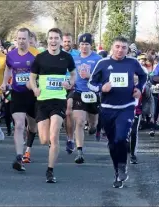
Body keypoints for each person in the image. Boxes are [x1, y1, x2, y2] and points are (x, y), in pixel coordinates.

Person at [88, 36, 147, 188]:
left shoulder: (132, 63)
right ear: (112, 47)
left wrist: (139, 88)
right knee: (113, 143)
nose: (120, 50)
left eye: (123, 47)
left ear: (128, 50)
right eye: (117, 47)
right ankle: (117, 171)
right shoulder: (103, 63)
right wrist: (102, 88)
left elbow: (143, 76)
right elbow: (91, 83)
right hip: (107, 110)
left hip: (126, 107)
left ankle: (122, 166)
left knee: (121, 138)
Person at [29, 28, 76, 183]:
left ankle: (50, 170)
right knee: (44, 139)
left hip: (59, 100)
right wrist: (35, 88)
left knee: (54, 135)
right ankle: (51, 146)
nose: (54, 41)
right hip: (42, 101)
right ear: (47, 40)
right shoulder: (40, 58)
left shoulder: (67, 57)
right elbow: (32, 76)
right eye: (51, 38)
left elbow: (73, 74)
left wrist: (69, 83)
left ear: (61, 40)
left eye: (56, 38)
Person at [0, 28, 39, 169]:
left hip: (32, 95)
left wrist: (34, 83)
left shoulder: (36, 54)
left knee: (33, 126)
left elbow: (41, 72)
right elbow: (8, 69)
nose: (21, 41)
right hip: (17, 93)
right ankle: (18, 156)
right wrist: (5, 82)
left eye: (24, 38)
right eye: (19, 39)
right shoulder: (11, 55)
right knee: (19, 125)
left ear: (29, 39)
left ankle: (28, 148)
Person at [70, 33, 102, 164]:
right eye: (82, 44)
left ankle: (93, 127)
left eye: (87, 44)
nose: (84, 47)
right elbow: (70, 74)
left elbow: (103, 77)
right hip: (78, 93)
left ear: (91, 45)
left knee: (93, 123)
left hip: (93, 93)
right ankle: (79, 152)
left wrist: (90, 77)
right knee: (80, 122)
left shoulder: (98, 59)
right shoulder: (74, 59)